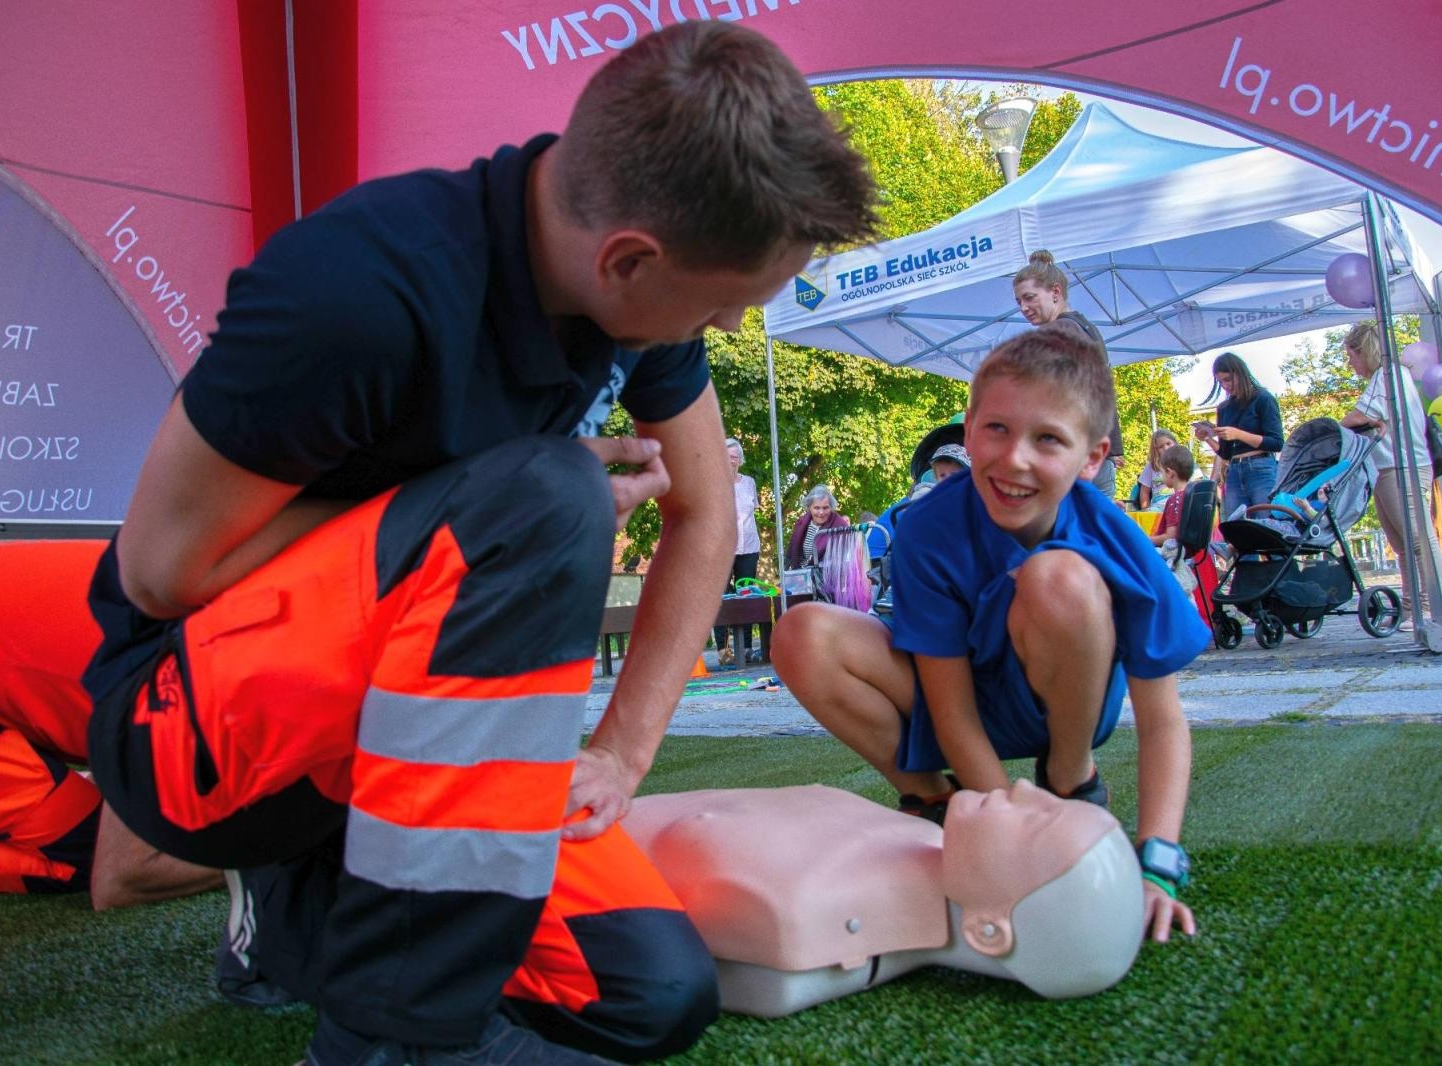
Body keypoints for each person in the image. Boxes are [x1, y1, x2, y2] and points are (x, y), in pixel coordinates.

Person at [75, 21, 878, 1066]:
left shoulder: (632, 307)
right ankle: (398, 1040)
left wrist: (622, 748)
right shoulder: (358, 290)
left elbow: (702, 511)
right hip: (194, 733)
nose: (726, 328)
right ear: (627, 259)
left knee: (652, 996)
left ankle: (294, 917)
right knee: (546, 496)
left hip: (409, 756)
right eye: (725, 304)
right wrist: (490, 501)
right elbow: (159, 571)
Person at [773, 323, 1205, 941]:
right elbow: (948, 705)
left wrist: (1158, 864)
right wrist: (1008, 828)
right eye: (997, 428)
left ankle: (1070, 779)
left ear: (1092, 458)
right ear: (969, 431)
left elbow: (1162, 720)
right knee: (801, 632)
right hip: (961, 708)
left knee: (1059, 578)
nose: (1014, 458)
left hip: (1063, 704)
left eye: (1047, 438)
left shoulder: (1113, 535)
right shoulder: (926, 527)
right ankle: (937, 802)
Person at [620, 780, 1156, 1018]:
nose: (1024, 787)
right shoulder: (918, 839)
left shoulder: (801, 909)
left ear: (989, 929)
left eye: (1036, 822)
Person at [0, 540, 222, 907]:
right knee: (77, 852)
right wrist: (287, 852)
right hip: (168, 682)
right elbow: (121, 877)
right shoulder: (195, 681)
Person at [1340, 320, 1440, 626]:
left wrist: (1335, 427)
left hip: (1401, 466)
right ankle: (1411, 608)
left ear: (1364, 351)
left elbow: (1359, 416)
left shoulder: (1386, 376)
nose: (1350, 364)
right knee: (1403, 545)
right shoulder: (1393, 376)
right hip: (1390, 466)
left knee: (1418, 540)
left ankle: (1430, 607)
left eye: (1351, 357)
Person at [1012, 250, 1125, 498]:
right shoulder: (1086, 327)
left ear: (1055, 292)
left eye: (1029, 298)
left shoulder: (1056, 331)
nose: (1024, 307)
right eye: (1019, 302)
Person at [1194, 351, 1283, 522]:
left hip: (1261, 467)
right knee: (1235, 527)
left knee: (1267, 524)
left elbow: (1277, 442)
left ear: (1240, 373)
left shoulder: (1263, 399)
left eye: (1227, 380)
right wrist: (1207, 438)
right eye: (1220, 382)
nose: (1225, 386)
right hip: (1234, 470)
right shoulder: (1224, 408)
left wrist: (1239, 434)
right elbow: (1225, 453)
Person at [713, 436, 763, 667]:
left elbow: (752, 511)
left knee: (746, 594)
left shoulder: (749, 483)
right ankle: (723, 649)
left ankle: (747, 648)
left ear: (740, 460)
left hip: (748, 546)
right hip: (721, 549)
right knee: (721, 596)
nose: (731, 460)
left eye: (734, 457)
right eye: (726, 456)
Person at [784, 484, 850, 570]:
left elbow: (842, 558)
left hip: (826, 574)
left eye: (825, 508)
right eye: (817, 508)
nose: (821, 512)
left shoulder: (840, 525)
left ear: (831, 507)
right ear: (809, 508)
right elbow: (791, 554)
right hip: (800, 573)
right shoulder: (801, 523)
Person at [1134, 429, 1199, 512]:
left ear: (1175, 443)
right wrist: (1145, 510)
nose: (1165, 448)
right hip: (1159, 506)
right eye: (1161, 447)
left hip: (1182, 502)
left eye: (1168, 443)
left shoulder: (1186, 461)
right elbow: (1144, 491)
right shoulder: (1152, 466)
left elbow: (1198, 482)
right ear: (1155, 450)